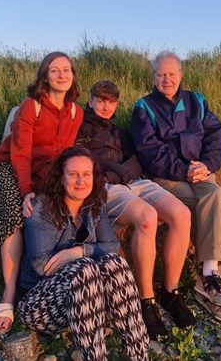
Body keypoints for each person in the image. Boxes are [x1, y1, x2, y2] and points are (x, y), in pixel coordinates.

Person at [76, 80, 195, 339]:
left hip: (134, 182)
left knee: (182, 215)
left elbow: (137, 160)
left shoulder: (121, 132)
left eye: (112, 101)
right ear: (90, 100)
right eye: (101, 100)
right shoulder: (79, 127)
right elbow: (85, 162)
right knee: (147, 217)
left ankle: (170, 292)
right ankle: (146, 299)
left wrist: (123, 172)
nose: (106, 106)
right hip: (104, 186)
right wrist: (116, 172)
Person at [131, 51, 221, 324]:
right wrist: (183, 170)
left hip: (200, 173)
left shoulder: (197, 101)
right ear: (153, 77)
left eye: (172, 74)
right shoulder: (143, 107)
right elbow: (149, 151)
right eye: (161, 74)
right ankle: (212, 280)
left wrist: (208, 165)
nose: (167, 79)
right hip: (166, 178)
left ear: (181, 75)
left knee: (214, 193)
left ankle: (209, 274)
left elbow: (216, 136)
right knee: (198, 205)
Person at [17, 147, 150, 360]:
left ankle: (139, 354)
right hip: (39, 307)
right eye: (73, 174)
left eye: (86, 174)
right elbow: (43, 266)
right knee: (85, 269)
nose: (81, 181)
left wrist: (78, 251)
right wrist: (83, 261)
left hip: (83, 305)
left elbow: (112, 245)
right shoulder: (41, 208)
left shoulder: (94, 204)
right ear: (60, 178)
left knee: (115, 262)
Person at [0, 52, 83, 333]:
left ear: (73, 76)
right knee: (16, 214)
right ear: (45, 76)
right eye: (55, 70)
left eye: (67, 70)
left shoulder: (76, 112)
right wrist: (27, 190)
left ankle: (47, 281)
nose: (62, 75)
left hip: (47, 174)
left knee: (56, 211)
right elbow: (20, 152)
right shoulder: (32, 106)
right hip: (10, 167)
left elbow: (64, 155)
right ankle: (8, 293)